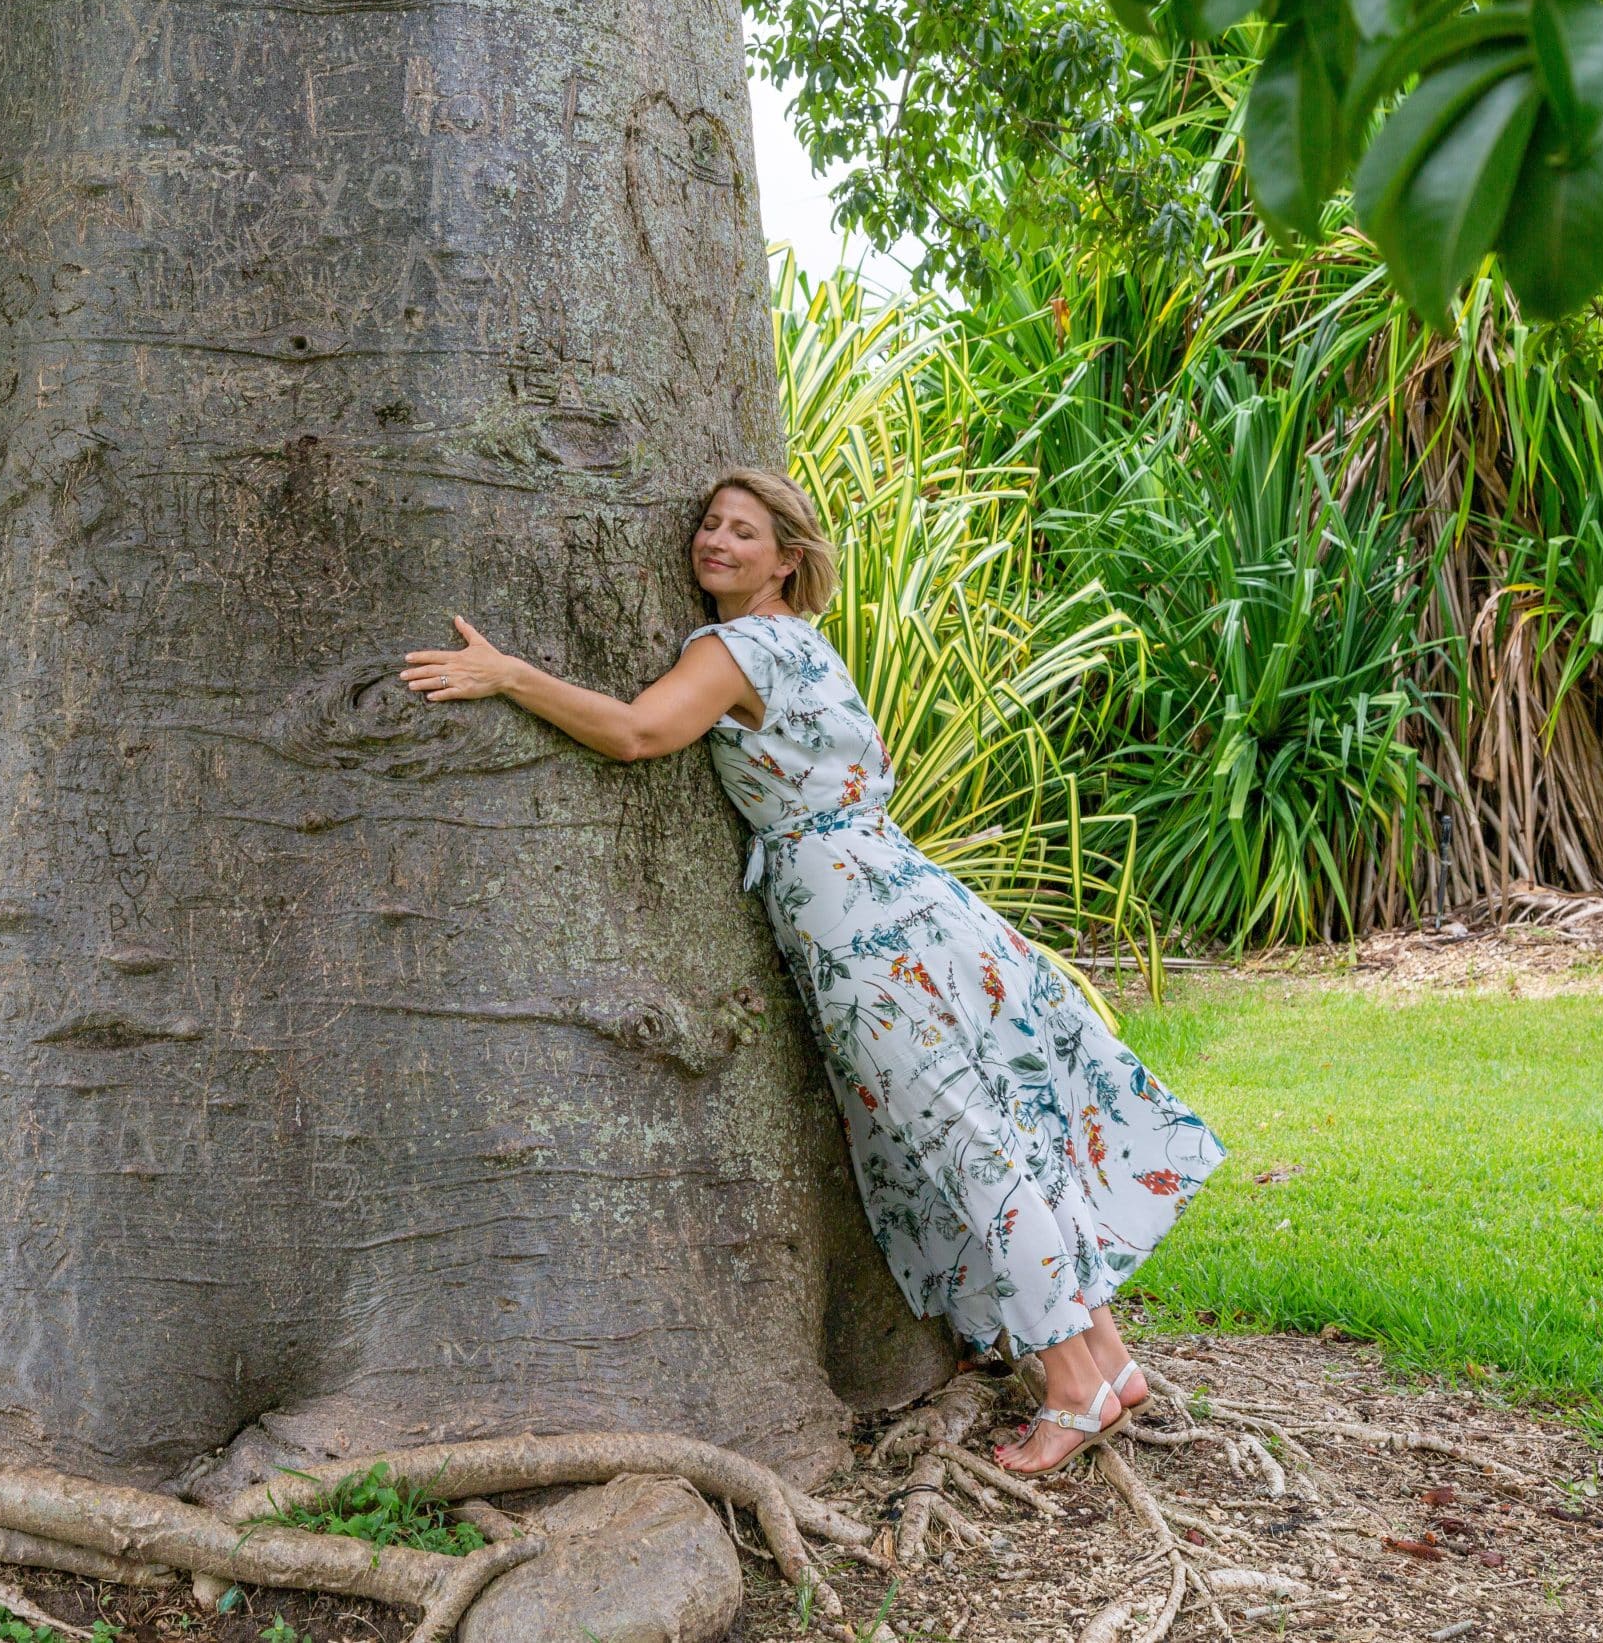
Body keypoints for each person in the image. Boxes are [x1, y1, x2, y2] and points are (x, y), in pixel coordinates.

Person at [400, 469, 1226, 1473]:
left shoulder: (734, 647)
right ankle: (1105, 1358)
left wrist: (507, 676)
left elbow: (639, 732)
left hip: (853, 918)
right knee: (987, 1118)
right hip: (911, 898)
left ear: (787, 559)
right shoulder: (805, 645)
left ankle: (1071, 1385)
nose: (717, 541)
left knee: (955, 1134)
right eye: (708, 523)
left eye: (744, 533)